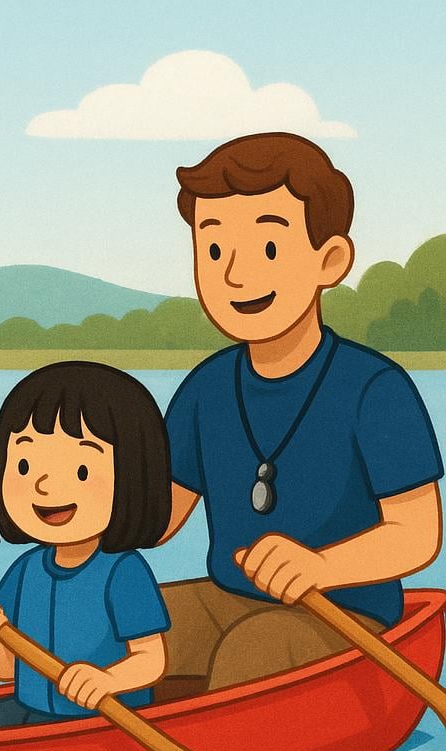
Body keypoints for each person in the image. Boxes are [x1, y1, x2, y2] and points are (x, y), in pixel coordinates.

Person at [162, 132, 443, 693]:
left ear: (329, 260)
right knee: (139, 624)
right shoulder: (206, 388)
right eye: (213, 250)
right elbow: (157, 518)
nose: (235, 275)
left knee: (256, 648)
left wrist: (321, 567)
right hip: (230, 600)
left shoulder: (375, 389)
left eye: (267, 249)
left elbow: (419, 534)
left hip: (345, 616)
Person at [0, 362, 171, 728]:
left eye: (80, 471)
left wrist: (108, 680)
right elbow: (5, 670)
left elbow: (151, 659)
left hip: (111, 721)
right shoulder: (26, 570)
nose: (44, 487)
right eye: (26, 466)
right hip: (33, 712)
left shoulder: (122, 571)